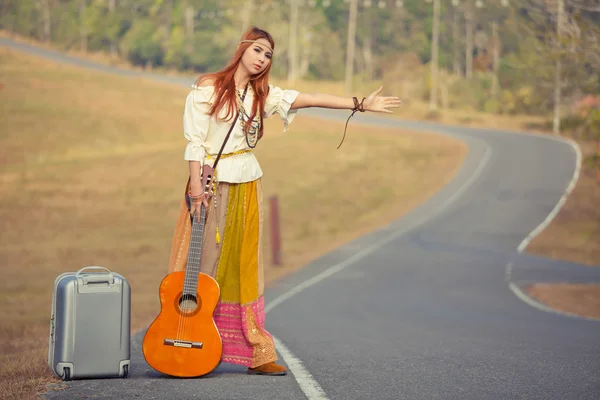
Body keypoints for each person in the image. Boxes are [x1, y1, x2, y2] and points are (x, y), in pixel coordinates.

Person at [167, 26, 401, 376]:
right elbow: (195, 142)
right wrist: (197, 190)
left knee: (247, 265)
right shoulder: (209, 88)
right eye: (258, 50)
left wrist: (360, 104)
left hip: (248, 182)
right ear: (243, 48)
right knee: (202, 262)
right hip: (210, 184)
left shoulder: (264, 96)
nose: (262, 58)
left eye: (268, 55)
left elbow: (311, 98)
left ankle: (255, 352)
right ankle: (186, 341)